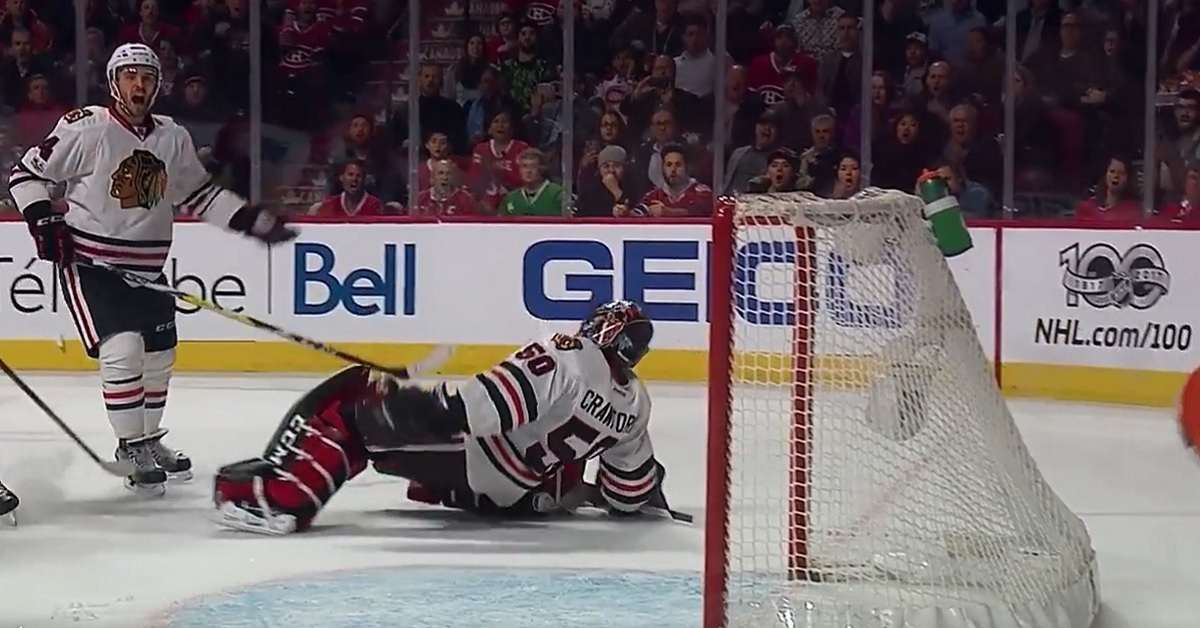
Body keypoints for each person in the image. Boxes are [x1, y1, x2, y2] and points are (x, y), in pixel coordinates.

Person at [5, 43, 296, 497]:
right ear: (113, 82)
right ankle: (130, 446)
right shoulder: (86, 127)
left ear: (158, 85)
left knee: (159, 355)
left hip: (148, 271)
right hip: (93, 265)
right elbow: (25, 176)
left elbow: (199, 195)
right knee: (122, 349)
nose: (138, 85)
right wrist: (44, 222)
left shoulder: (172, 136)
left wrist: (250, 221)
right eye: (130, 76)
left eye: (146, 77)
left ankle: (148, 439)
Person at [213, 300, 663, 535]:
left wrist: (426, 408)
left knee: (352, 406)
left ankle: (281, 499)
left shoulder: (571, 353)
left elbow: (486, 407)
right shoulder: (635, 404)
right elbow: (628, 494)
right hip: (517, 489)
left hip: (480, 461)